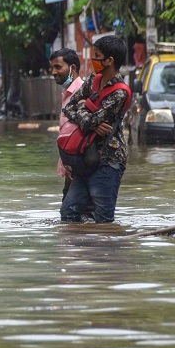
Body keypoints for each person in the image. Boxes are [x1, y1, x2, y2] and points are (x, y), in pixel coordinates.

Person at [60, 35, 131, 224]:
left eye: (97, 56)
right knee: (68, 212)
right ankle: (82, 250)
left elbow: (90, 120)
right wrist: (87, 114)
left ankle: (103, 253)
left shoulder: (120, 92)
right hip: (85, 158)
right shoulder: (92, 80)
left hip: (108, 159)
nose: (94, 60)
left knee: (103, 219)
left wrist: (83, 106)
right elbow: (68, 108)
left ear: (109, 61)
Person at [49, 48, 83, 198]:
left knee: (72, 212)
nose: (54, 72)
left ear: (72, 68)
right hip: (71, 167)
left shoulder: (81, 93)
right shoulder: (68, 94)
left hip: (79, 167)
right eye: (52, 68)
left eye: (58, 67)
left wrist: (73, 166)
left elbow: (84, 132)